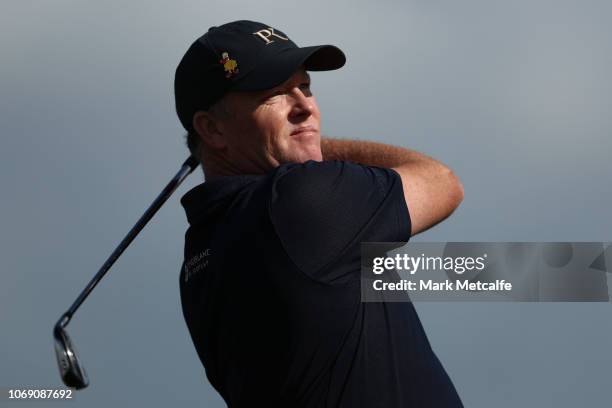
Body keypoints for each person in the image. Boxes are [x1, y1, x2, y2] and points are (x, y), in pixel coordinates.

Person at [174, 20, 464, 407]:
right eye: (275, 94)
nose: (305, 107)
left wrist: (291, 140)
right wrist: (314, 146)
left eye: (305, 87)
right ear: (212, 130)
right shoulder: (297, 199)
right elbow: (442, 182)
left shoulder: (198, 258)